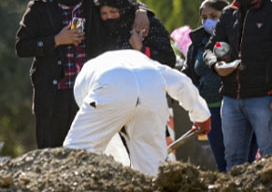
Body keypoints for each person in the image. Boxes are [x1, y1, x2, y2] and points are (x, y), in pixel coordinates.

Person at [15, 0, 150, 149]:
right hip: (54, 93)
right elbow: (22, 46)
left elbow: (124, 1)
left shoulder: (92, 0)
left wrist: (140, 10)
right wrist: (56, 40)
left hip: (89, 91)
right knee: (51, 149)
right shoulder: (41, 6)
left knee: (88, 148)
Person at [63, 50, 211, 176]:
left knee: (77, 151)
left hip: (110, 83)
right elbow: (181, 83)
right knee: (152, 166)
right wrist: (201, 115)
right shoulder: (149, 64)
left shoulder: (85, 79)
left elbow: (107, 140)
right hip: (150, 85)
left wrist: (122, 168)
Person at [203, 0, 272, 171]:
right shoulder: (228, 14)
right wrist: (217, 66)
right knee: (234, 160)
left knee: (269, 157)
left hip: (264, 98)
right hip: (231, 99)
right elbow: (210, 48)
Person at [182, 0, 258, 172]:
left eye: (214, 16)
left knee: (244, 161)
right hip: (211, 109)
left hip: (239, 106)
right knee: (222, 160)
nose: (208, 21)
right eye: (204, 17)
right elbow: (189, 74)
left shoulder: (240, 36)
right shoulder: (197, 45)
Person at [95, 0, 176, 68]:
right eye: (104, 13)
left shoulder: (146, 24)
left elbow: (169, 59)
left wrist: (141, 49)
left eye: (113, 12)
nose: (109, 16)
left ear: (123, 9)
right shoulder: (101, 29)